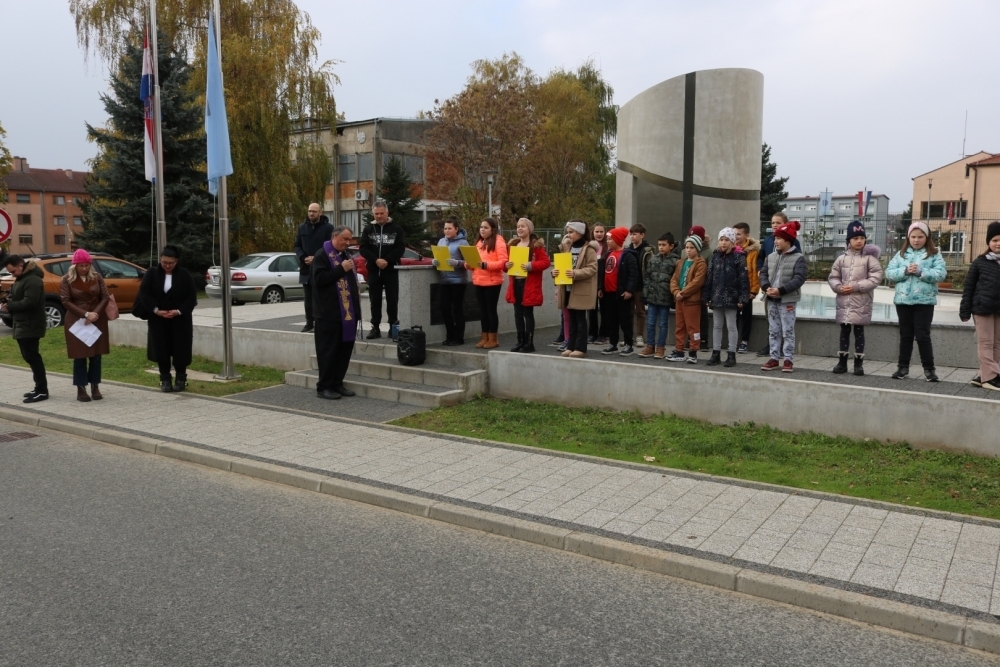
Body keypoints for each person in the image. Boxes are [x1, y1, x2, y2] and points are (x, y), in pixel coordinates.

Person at [885, 221, 947, 381]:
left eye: (920, 237)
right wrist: (905, 271)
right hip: (903, 301)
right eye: (913, 237)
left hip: (924, 302)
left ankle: (929, 369)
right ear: (908, 237)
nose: (916, 240)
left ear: (927, 238)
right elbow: (889, 273)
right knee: (905, 335)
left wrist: (921, 272)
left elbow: (941, 274)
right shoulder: (901, 254)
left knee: (923, 335)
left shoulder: (934, 254)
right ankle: (902, 367)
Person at [138, 245, 198, 392]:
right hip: (158, 319)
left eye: (170, 263)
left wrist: (178, 311)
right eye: (164, 262)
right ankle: (165, 379)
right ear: (160, 259)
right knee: (161, 349)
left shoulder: (184, 275)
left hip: (180, 320)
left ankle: (181, 379)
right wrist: (156, 310)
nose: (167, 265)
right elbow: (144, 294)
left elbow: (191, 297)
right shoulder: (152, 273)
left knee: (180, 349)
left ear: (176, 261)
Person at [312, 226, 362, 400]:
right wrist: (341, 269)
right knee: (328, 352)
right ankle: (324, 386)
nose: (348, 243)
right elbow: (319, 280)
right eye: (344, 239)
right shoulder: (322, 255)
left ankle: (337, 383)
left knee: (343, 351)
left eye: (350, 240)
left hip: (346, 315)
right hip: (328, 314)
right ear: (335, 236)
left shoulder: (345, 255)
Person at [828, 221, 883, 377]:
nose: (859, 241)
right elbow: (833, 277)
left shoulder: (870, 259)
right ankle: (842, 362)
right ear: (849, 240)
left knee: (859, 332)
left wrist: (857, 286)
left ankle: (858, 364)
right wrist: (838, 287)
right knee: (844, 331)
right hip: (844, 302)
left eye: (862, 238)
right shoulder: (841, 259)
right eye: (855, 238)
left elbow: (875, 278)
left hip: (861, 303)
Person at [60, 249, 111, 402]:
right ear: (74, 266)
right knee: (80, 356)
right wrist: (85, 314)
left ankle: (95, 386)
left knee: (96, 356)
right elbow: (66, 301)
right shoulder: (67, 279)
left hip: (97, 318)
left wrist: (95, 314)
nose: (84, 268)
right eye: (80, 265)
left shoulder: (97, 277)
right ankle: (81, 388)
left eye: (86, 265)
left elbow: (105, 297)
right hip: (77, 320)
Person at [759, 221, 807, 373]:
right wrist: (766, 287)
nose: (776, 241)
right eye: (775, 238)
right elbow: (763, 274)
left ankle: (788, 359)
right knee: (773, 330)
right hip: (772, 300)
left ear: (788, 240)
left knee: (788, 331)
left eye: (779, 238)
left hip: (787, 301)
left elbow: (799, 278)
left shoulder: (798, 258)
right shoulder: (771, 257)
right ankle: (774, 358)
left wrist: (781, 290)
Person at [1, 254, 48, 402]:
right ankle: (39, 387)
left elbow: (30, 302)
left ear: (21, 266)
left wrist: (11, 305)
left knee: (33, 357)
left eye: (13, 271)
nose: (12, 274)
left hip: (31, 324)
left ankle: (42, 391)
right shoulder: (22, 278)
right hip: (23, 323)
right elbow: (19, 297)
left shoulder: (33, 279)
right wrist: (8, 301)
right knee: (29, 357)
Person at [960, 221, 1000, 390]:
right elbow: (969, 287)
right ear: (988, 242)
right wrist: (965, 310)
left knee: (997, 343)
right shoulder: (980, 262)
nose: (998, 243)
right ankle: (991, 377)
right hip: (982, 308)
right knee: (985, 343)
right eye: (995, 240)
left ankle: (983, 375)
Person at [702, 228, 750, 368]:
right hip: (716, 296)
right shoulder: (715, 256)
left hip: (732, 297)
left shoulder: (738, 257)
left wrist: (743, 298)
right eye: (721, 240)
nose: (723, 243)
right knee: (717, 325)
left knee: (731, 326)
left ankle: (731, 354)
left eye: (726, 240)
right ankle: (715, 353)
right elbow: (709, 277)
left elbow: (743, 279)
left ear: (732, 241)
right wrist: (707, 296)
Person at [359, 200, 406, 340]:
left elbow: (400, 247)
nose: (379, 216)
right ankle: (375, 327)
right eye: (376, 214)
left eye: (381, 213)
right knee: (375, 301)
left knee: (392, 300)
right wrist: (375, 260)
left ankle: (393, 327)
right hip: (374, 271)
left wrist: (387, 260)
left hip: (391, 270)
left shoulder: (397, 229)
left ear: (387, 213)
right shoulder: (368, 229)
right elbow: (363, 248)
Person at [552, 220, 599, 357]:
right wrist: (554, 272)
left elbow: (592, 268)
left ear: (580, 232)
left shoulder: (589, 249)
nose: (569, 235)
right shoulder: (567, 247)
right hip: (567, 288)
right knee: (571, 318)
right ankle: (571, 346)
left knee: (580, 319)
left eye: (571, 232)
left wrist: (575, 273)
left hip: (581, 289)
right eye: (568, 232)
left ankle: (581, 348)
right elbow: (561, 265)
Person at [505, 217, 550, 353]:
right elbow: (505, 263)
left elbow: (545, 262)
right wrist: (506, 265)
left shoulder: (536, 246)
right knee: (517, 313)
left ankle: (529, 343)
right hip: (516, 283)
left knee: (527, 313)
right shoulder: (513, 245)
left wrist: (531, 265)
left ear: (529, 229)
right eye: (518, 226)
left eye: (523, 226)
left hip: (528, 284)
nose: (520, 228)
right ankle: (520, 341)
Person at [463, 218, 507, 349]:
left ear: (493, 230)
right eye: (481, 227)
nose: (482, 230)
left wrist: (485, 265)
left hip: (492, 282)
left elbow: (503, 262)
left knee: (490, 311)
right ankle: (484, 337)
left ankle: (493, 339)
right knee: (482, 311)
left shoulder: (499, 241)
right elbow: (475, 262)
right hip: (478, 280)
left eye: (486, 227)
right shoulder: (479, 242)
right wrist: (468, 264)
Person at [293, 203, 334, 333]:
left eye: (314, 211)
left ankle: (321, 323)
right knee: (308, 298)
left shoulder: (328, 228)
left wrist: (316, 258)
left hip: (321, 268)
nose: (311, 213)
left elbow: (330, 247)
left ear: (320, 212)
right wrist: (303, 257)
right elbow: (297, 245)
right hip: (306, 268)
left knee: (321, 297)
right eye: (310, 211)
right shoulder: (302, 228)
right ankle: (309, 322)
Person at [638, 233, 680, 359]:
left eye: (664, 245)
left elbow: (676, 280)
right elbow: (647, 278)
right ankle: (650, 346)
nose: (661, 247)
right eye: (659, 245)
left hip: (665, 298)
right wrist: (645, 294)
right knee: (650, 323)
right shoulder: (653, 259)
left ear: (671, 246)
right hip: (652, 297)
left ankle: (661, 347)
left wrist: (673, 298)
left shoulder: (675, 261)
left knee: (663, 324)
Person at [668, 237, 707, 363]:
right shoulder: (680, 262)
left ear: (698, 249)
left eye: (692, 248)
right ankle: (679, 350)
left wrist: (683, 293)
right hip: (680, 300)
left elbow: (697, 282)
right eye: (687, 247)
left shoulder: (701, 264)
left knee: (693, 328)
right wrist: (676, 292)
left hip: (692, 301)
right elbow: (674, 279)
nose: (688, 250)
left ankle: (693, 351)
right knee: (680, 327)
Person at [600, 227, 638, 356]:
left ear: (617, 240)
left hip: (621, 294)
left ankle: (628, 344)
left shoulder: (628, 256)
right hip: (608, 293)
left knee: (625, 320)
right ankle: (613, 343)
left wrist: (629, 290)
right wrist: (600, 288)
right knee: (611, 320)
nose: (608, 241)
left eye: (610, 239)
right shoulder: (608, 254)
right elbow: (603, 273)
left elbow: (633, 275)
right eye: (607, 239)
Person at [433, 218, 469, 346]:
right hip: (445, 279)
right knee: (444, 308)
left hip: (458, 281)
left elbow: (470, 262)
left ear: (456, 229)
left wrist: (457, 262)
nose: (447, 231)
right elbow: (438, 256)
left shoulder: (463, 242)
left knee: (457, 309)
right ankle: (450, 335)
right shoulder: (441, 241)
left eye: (449, 228)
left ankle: (459, 338)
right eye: (445, 228)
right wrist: (434, 261)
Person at [733, 222, 761, 353]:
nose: (736, 237)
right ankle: (733, 341)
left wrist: (753, 290)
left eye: (738, 234)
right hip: (733, 290)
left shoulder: (753, 251)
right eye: (734, 234)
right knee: (733, 317)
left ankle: (744, 341)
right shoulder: (731, 249)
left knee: (746, 317)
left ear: (747, 235)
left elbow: (755, 272)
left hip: (747, 290)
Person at [688, 225, 712, 351]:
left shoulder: (708, 252)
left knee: (702, 314)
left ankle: (703, 340)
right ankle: (690, 338)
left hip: (702, 287)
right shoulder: (685, 251)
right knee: (689, 315)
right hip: (687, 288)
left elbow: (709, 271)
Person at [630, 224, 653, 348]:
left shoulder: (647, 251)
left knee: (640, 311)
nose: (632, 236)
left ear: (642, 235)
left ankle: (639, 336)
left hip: (640, 285)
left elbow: (649, 270)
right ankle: (629, 337)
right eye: (631, 234)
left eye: (635, 234)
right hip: (629, 286)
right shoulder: (628, 249)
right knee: (629, 312)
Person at [589, 223, 608, 343]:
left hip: (604, 282)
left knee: (605, 309)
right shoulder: (589, 246)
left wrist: (601, 286)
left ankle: (603, 334)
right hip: (591, 282)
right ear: (593, 232)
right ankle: (592, 333)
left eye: (601, 231)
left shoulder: (608, 247)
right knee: (591, 309)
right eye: (597, 231)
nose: (599, 234)